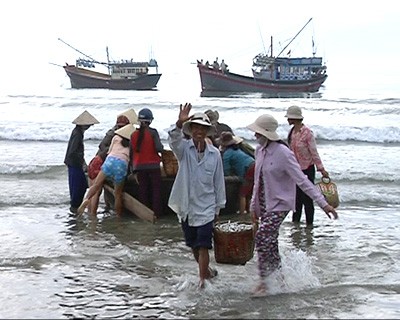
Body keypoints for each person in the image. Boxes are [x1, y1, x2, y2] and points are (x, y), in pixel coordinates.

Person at [246, 114, 338, 297]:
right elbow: (257, 181)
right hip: (264, 203)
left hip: (280, 203)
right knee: (270, 244)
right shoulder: (259, 150)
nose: (255, 135)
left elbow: (302, 181)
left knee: (263, 237)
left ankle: (264, 283)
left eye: (258, 132)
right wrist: (252, 206)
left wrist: (323, 204)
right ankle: (280, 281)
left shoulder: (283, 153)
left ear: (267, 133)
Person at [168, 103, 226, 289]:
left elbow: (219, 181)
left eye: (203, 128)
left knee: (203, 244)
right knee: (193, 244)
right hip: (187, 205)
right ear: (191, 130)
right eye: (196, 127)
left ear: (207, 131)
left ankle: (202, 281)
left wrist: (218, 207)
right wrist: (179, 122)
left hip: (207, 206)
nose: (199, 131)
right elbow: (173, 139)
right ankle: (207, 271)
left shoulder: (215, 154)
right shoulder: (184, 150)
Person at [87, 108, 138, 214]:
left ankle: (96, 212)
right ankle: (93, 215)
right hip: (101, 163)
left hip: (103, 163)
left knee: (97, 189)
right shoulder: (116, 135)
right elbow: (103, 146)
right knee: (100, 192)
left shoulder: (117, 137)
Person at [285, 105, 329, 225]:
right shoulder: (291, 132)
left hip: (307, 169)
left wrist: (321, 169)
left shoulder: (307, 133)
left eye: (289, 117)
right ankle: (296, 224)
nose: (287, 120)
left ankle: (309, 225)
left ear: (294, 118)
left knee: (307, 198)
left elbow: (313, 152)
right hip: (295, 169)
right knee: (296, 199)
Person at [130, 108, 164, 217]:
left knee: (143, 190)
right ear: (150, 120)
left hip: (139, 167)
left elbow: (131, 154)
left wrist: (132, 170)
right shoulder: (153, 133)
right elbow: (159, 148)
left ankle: (144, 214)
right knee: (156, 191)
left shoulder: (133, 135)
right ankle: (156, 214)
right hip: (154, 166)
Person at [64, 110, 99, 213]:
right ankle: (75, 208)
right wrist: (83, 164)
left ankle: (75, 207)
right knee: (79, 187)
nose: (89, 126)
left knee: (78, 186)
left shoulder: (77, 132)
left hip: (73, 163)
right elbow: (74, 151)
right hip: (75, 164)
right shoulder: (77, 134)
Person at [217, 131, 255, 215]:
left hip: (248, 169)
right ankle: (248, 211)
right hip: (253, 165)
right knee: (249, 191)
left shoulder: (227, 154)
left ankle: (242, 214)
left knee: (242, 194)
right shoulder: (237, 150)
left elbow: (226, 169)